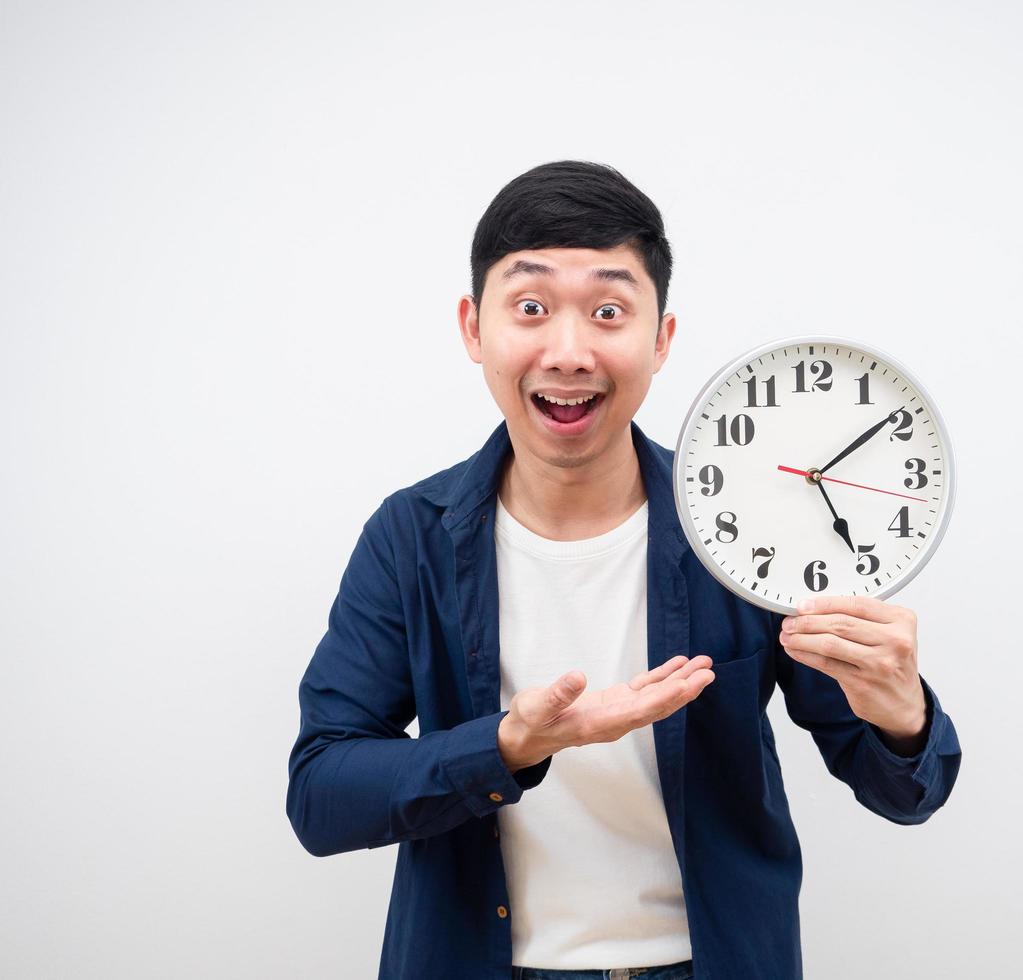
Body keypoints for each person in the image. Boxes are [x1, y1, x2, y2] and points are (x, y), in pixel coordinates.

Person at [285, 160, 963, 980]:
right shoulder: (411, 537)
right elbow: (321, 796)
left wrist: (900, 716)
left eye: (608, 311)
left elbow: (904, 793)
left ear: (660, 339)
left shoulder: (751, 531)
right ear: (473, 328)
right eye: (530, 308)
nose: (568, 351)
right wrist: (508, 744)